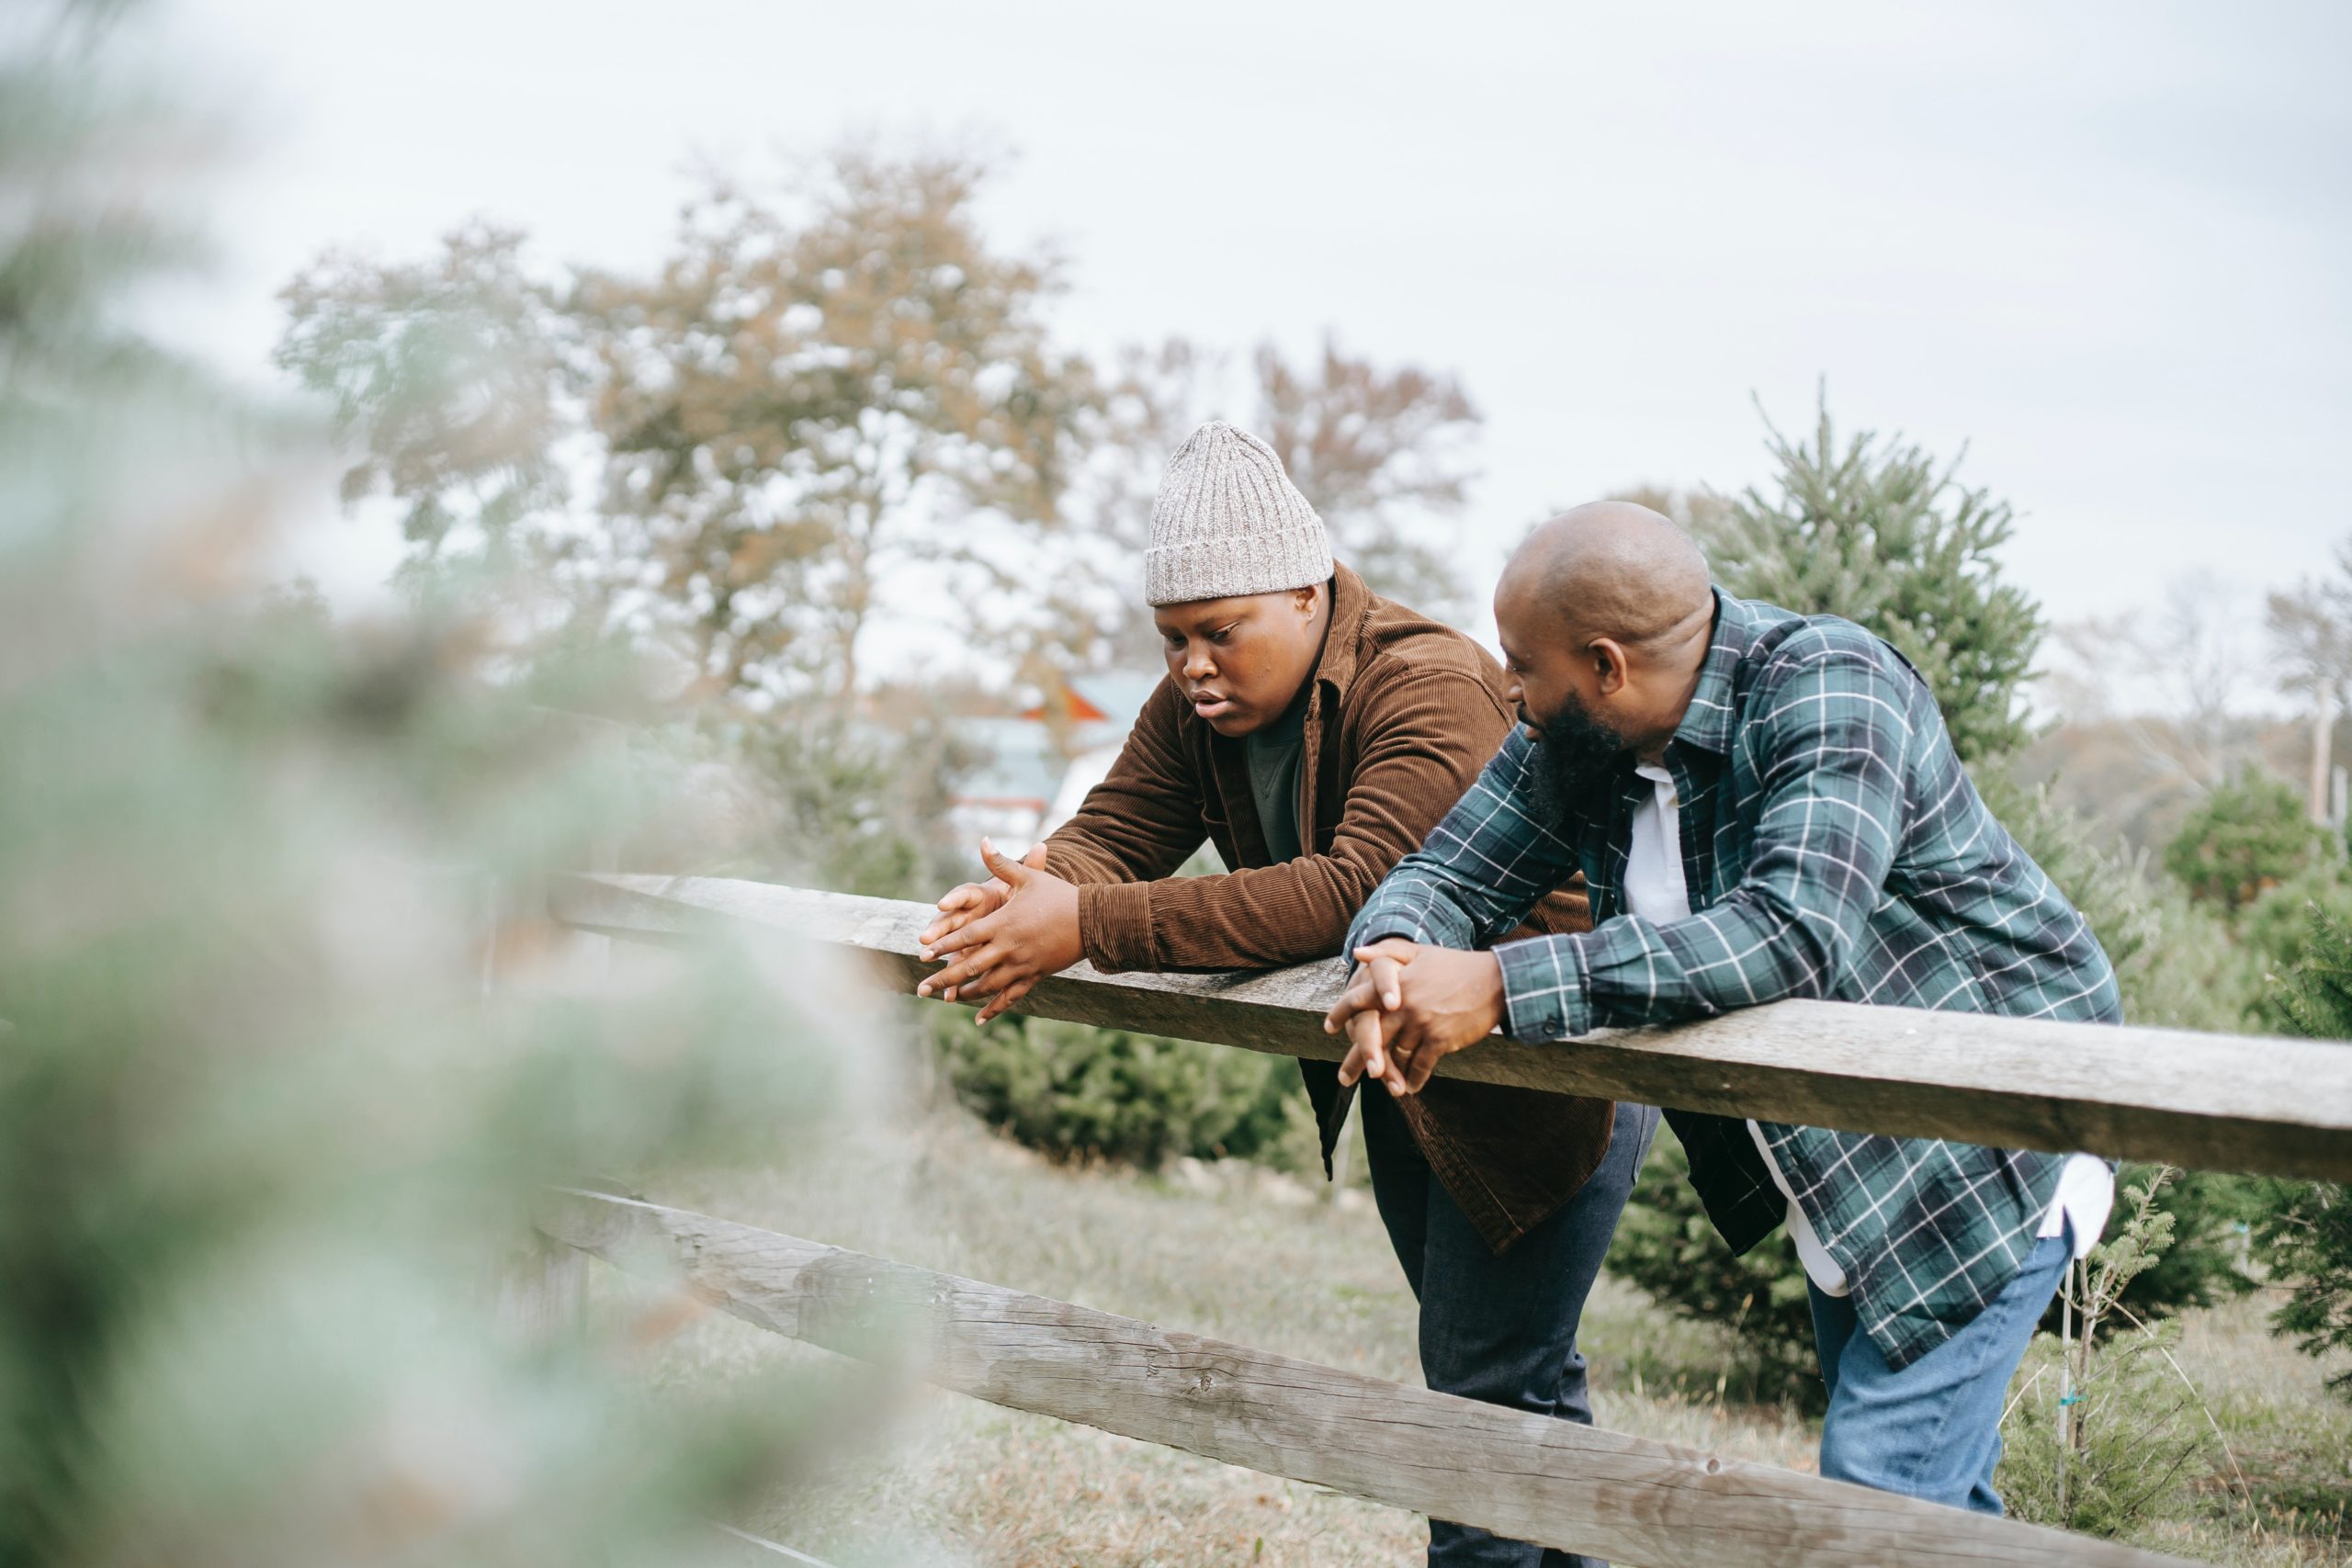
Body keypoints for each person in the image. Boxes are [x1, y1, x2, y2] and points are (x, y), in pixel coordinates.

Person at [916, 423, 1656, 1568]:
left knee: (1476, 1406)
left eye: (1222, 632)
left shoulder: (1431, 683)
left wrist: (1086, 925)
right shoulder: (1194, 708)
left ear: (1310, 595)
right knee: (1512, 1390)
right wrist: (1029, 896)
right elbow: (1117, 831)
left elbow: (1359, 888)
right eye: (1172, 639)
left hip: (1543, 1075)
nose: (1193, 665)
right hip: (1413, 1074)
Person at [1326, 500, 2119, 1516]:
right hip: (1838, 1150)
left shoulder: (1832, 685)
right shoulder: (1581, 741)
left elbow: (1788, 934)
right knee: (1936, 1504)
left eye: (1524, 667)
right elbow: (1446, 870)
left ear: (1605, 666)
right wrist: (1391, 953)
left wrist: (1497, 985)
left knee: (1880, 1493)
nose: (1512, 695)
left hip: (1986, 1125)